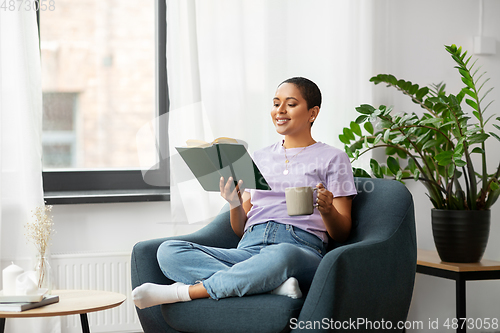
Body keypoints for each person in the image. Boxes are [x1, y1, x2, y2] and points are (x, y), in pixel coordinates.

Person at [132, 77, 357, 309]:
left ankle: (184, 292)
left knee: (281, 256)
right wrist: (234, 203)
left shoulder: (334, 158)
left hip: (299, 249)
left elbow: (342, 232)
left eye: (290, 104)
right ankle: (269, 284)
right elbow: (240, 229)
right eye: (275, 103)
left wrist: (327, 210)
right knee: (169, 251)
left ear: (312, 113)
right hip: (249, 247)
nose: (280, 110)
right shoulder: (259, 157)